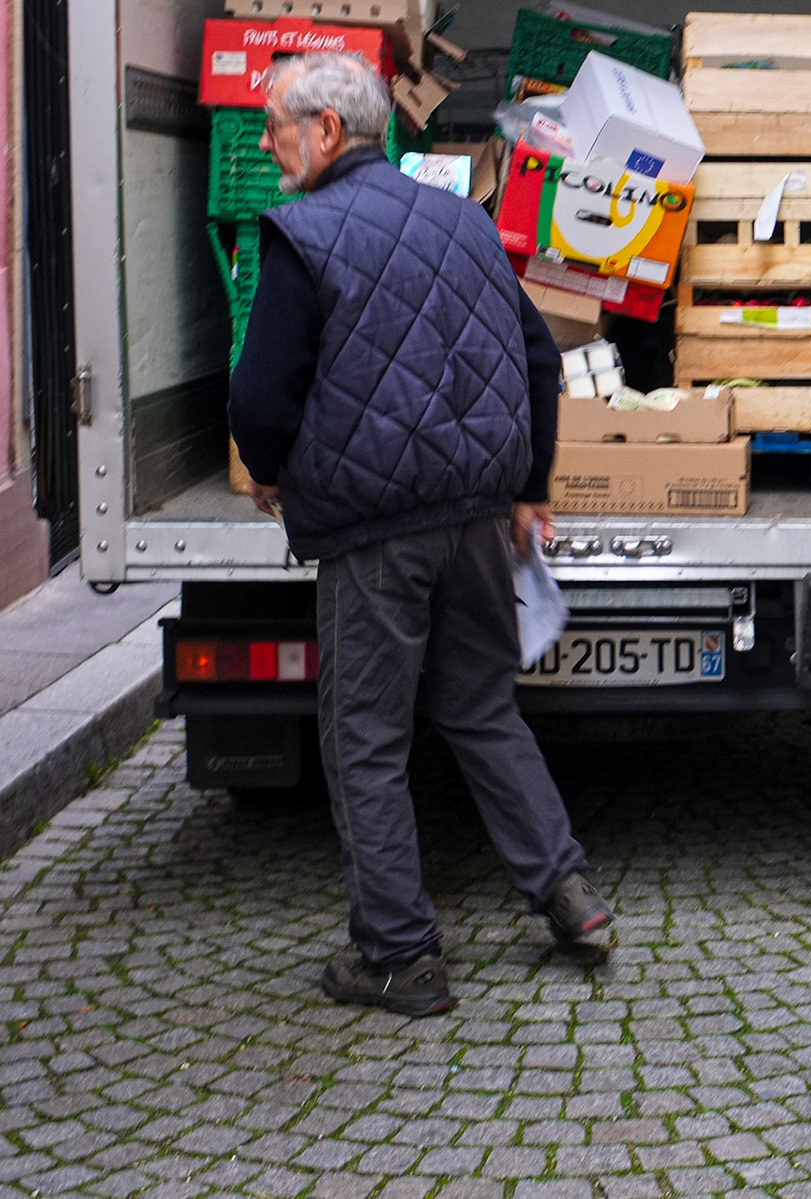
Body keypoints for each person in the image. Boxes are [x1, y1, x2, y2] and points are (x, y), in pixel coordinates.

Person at [228, 53, 610, 1016]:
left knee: (363, 736)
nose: (266, 142)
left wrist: (269, 469)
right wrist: (528, 488)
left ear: (325, 132)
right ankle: (567, 892)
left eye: (276, 125)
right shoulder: (461, 219)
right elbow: (535, 357)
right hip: (478, 516)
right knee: (481, 706)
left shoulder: (300, 233)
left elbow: (260, 394)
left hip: (375, 530)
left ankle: (398, 954)